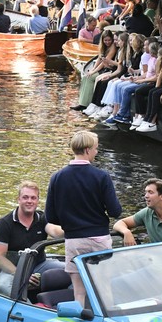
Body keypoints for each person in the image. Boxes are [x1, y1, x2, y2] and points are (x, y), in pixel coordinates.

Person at [44, 131, 122, 306]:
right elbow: (115, 211)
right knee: (104, 287)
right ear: (87, 150)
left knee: (78, 292)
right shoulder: (101, 177)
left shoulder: (57, 177)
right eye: (95, 149)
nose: (96, 152)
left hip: (74, 242)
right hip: (99, 240)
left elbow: (51, 216)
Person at [0, 181, 65, 294]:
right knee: (4, 286)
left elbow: (56, 232)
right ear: (19, 199)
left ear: (37, 201)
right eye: (25, 197)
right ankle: (29, 309)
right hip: (13, 269)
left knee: (74, 271)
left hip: (39, 265)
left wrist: (73, 227)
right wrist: (19, 274)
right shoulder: (5, 223)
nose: (29, 201)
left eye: (33, 198)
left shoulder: (42, 218)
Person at [112, 178, 162, 245]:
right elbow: (119, 223)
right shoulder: (147, 212)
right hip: (155, 259)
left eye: (150, 192)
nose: (146, 196)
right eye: (146, 192)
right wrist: (126, 232)